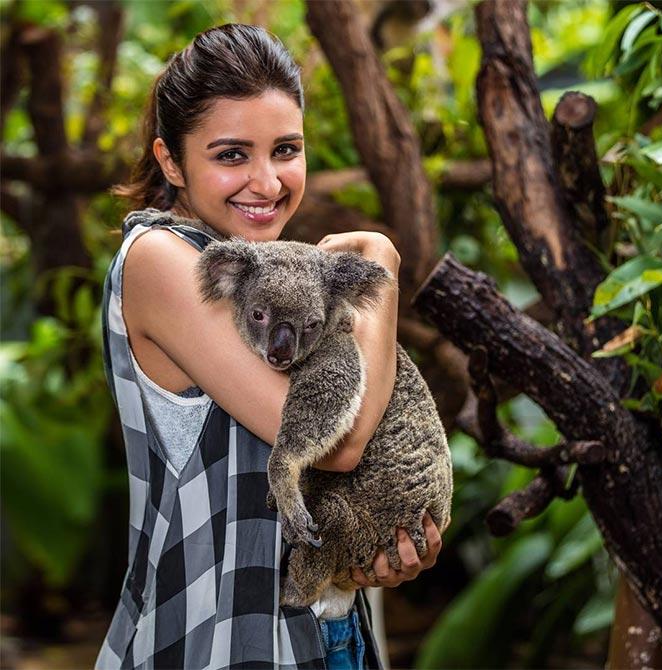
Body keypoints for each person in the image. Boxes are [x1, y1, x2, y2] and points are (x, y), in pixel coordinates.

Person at [95, 23, 442, 670]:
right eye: (231, 155)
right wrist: (380, 262)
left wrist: (375, 538)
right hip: (222, 639)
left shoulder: (268, 269)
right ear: (171, 160)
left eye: (286, 149)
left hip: (323, 627)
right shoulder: (162, 260)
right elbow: (341, 443)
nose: (267, 180)